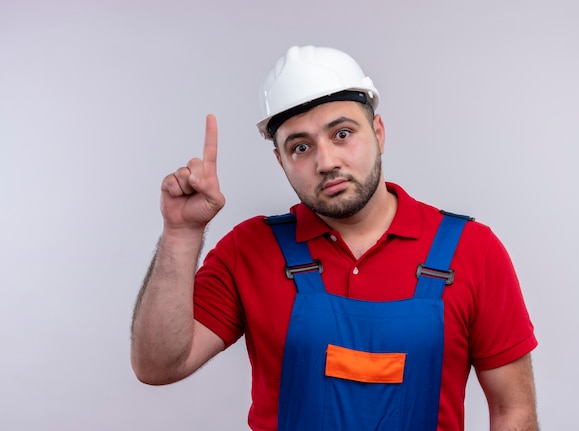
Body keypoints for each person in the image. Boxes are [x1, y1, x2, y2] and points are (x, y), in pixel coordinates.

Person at [131, 45, 539, 431]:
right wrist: (181, 235)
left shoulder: (472, 250)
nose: (326, 162)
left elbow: (512, 409)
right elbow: (158, 366)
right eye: (301, 147)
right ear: (281, 161)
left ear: (378, 132)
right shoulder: (249, 249)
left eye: (342, 134)